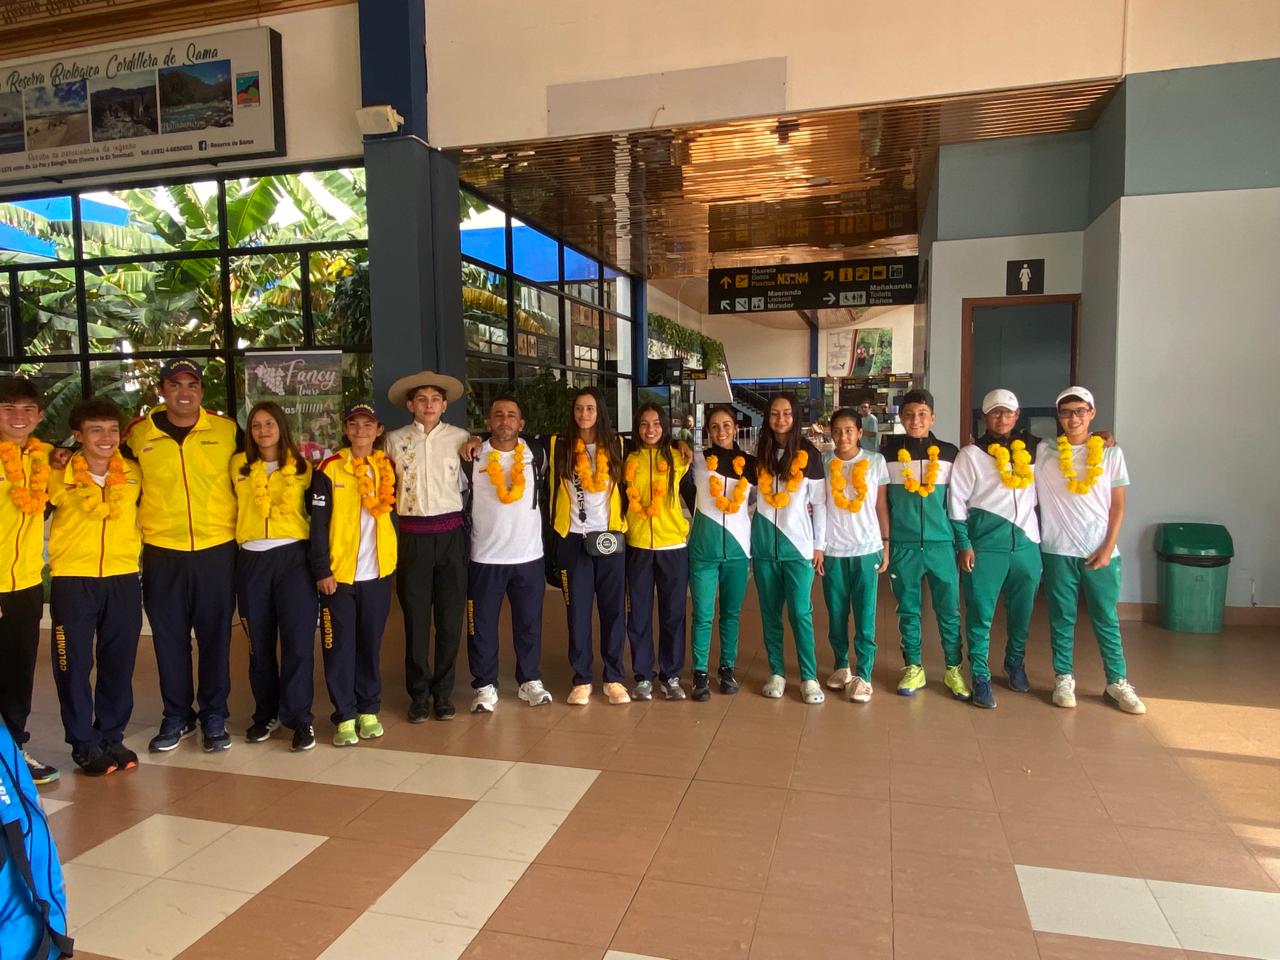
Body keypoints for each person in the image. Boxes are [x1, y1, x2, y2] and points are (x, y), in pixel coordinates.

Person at [124, 359, 240, 754]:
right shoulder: (138, 435)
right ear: (162, 390)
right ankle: (177, 715)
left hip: (217, 549)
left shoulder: (226, 431)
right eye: (175, 385)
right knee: (169, 639)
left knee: (215, 638)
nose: (184, 392)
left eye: (192, 384)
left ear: (201, 391)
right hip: (163, 551)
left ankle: (214, 714)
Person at [46, 397, 143, 776]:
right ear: (78, 435)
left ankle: (111, 735)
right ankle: (83, 743)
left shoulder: (133, 473)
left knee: (119, 662)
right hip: (73, 580)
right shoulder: (57, 473)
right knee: (73, 665)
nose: (106, 438)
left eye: (112, 430)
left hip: (123, 578)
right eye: (96, 430)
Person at [1036, 387, 1145, 714]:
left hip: (1101, 550)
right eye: (1067, 412)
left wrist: (1108, 547)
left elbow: (1118, 506)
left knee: (1106, 618)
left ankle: (1117, 682)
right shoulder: (1044, 451)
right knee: (1061, 618)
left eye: (1080, 411)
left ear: (1092, 413)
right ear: (1059, 416)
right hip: (1057, 549)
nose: (1074, 418)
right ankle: (1063, 677)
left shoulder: (1111, 454)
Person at [230, 402, 318, 752]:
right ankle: (266, 713)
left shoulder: (303, 468)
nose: (263, 431)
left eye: (269, 423)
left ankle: (300, 717)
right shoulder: (237, 465)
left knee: (297, 642)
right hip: (251, 560)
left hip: (293, 558)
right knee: (259, 644)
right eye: (256, 425)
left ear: (281, 427)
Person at [309, 401, 398, 746]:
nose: (361, 430)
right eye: (354, 424)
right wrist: (322, 570)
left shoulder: (386, 466)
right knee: (338, 647)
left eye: (368, 425)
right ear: (346, 430)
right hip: (339, 576)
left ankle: (368, 709)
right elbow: (318, 525)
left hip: (377, 574)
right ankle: (344, 715)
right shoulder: (330, 468)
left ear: (378, 431)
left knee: (370, 645)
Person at [384, 371, 470, 722]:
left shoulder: (461, 438)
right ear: (410, 405)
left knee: (450, 620)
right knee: (416, 621)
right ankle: (419, 694)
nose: (429, 405)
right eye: (422, 399)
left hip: (451, 537)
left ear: (444, 405)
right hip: (413, 538)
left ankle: (443, 693)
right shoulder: (393, 441)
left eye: (435, 399)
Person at [948, 389, 1041, 710]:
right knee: (980, 614)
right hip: (985, 547)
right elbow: (956, 502)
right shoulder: (971, 455)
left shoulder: (1036, 450)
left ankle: (1014, 662)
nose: (1003, 418)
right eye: (996, 413)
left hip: (1026, 545)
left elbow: (1073, 448)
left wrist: (1103, 437)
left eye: (1008, 412)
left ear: (1017, 415)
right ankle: (980, 674)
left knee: (1022, 613)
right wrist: (964, 543)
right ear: (985, 417)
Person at [880, 388, 972, 699]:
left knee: (949, 610)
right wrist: (886, 542)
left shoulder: (949, 453)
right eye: (908, 415)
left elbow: (957, 502)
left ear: (932, 417)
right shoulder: (888, 454)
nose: (915, 420)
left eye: (922, 414)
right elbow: (882, 504)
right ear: (901, 418)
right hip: (904, 545)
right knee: (908, 609)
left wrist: (961, 542)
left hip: (941, 544)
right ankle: (914, 667)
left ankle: (953, 668)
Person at [465, 395, 553, 713]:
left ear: (521, 423)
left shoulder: (536, 454)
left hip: (528, 555)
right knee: (482, 625)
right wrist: (472, 440)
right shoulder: (472, 455)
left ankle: (529, 680)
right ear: (489, 422)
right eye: (498, 415)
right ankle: (484, 685)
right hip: (484, 556)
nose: (505, 420)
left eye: (511, 415)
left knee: (529, 623)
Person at [548, 387, 630, 705]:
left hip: (609, 538)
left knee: (613, 611)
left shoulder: (617, 444)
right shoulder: (559, 445)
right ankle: (581, 678)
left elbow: (656, 444)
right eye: (579, 408)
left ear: (600, 413)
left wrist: (681, 444)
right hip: (573, 538)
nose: (584, 414)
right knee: (578, 612)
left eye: (590, 408)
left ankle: (613, 678)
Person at [0, 378, 57, 784]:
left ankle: (14, 751)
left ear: (38, 416)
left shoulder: (44, 457)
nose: (18, 417)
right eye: (8, 408)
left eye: (26, 409)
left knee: (19, 674)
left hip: (26, 585)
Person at [753, 393, 827, 704]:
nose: (780, 419)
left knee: (800, 612)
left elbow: (819, 504)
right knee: (770, 613)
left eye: (786, 413)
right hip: (763, 546)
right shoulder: (760, 452)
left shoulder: (810, 455)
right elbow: (750, 494)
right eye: (774, 413)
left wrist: (819, 545)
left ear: (795, 417)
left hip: (798, 548)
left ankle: (809, 677)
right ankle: (777, 672)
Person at [623, 403, 692, 701]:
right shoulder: (628, 459)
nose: (650, 429)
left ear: (664, 426)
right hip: (637, 545)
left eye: (656, 423)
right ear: (637, 427)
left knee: (673, 613)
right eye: (644, 423)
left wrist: (681, 443)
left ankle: (671, 675)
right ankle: (643, 676)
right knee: (638, 614)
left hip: (672, 546)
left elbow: (695, 494)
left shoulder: (679, 458)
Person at [687, 404, 756, 701]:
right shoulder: (697, 460)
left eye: (726, 425)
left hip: (739, 550)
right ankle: (700, 672)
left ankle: (727, 668)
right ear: (708, 431)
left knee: (730, 614)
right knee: (703, 614)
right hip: (703, 550)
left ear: (735, 427)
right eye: (714, 426)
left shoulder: (750, 464)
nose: (721, 431)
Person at [821, 408, 890, 703]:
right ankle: (841, 665)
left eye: (849, 430)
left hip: (867, 548)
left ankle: (864, 674)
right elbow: (817, 503)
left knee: (865, 614)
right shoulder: (824, 463)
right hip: (833, 549)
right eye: (837, 431)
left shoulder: (875, 462)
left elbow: (881, 506)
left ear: (860, 432)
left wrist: (886, 544)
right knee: (836, 613)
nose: (843, 436)